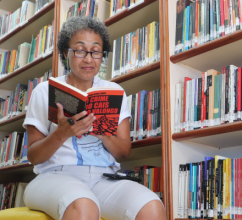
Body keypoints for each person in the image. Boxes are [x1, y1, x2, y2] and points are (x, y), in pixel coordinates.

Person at [22, 16, 166, 220]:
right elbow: (34, 156)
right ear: (65, 52)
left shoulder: (114, 92)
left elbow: (123, 152)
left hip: (104, 178)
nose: (88, 59)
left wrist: (102, 132)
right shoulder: (44, 91)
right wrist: (62, 134)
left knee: (152, 206)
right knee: (83, 206)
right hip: (54, 176)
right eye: (80, 50)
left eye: (96, 51)